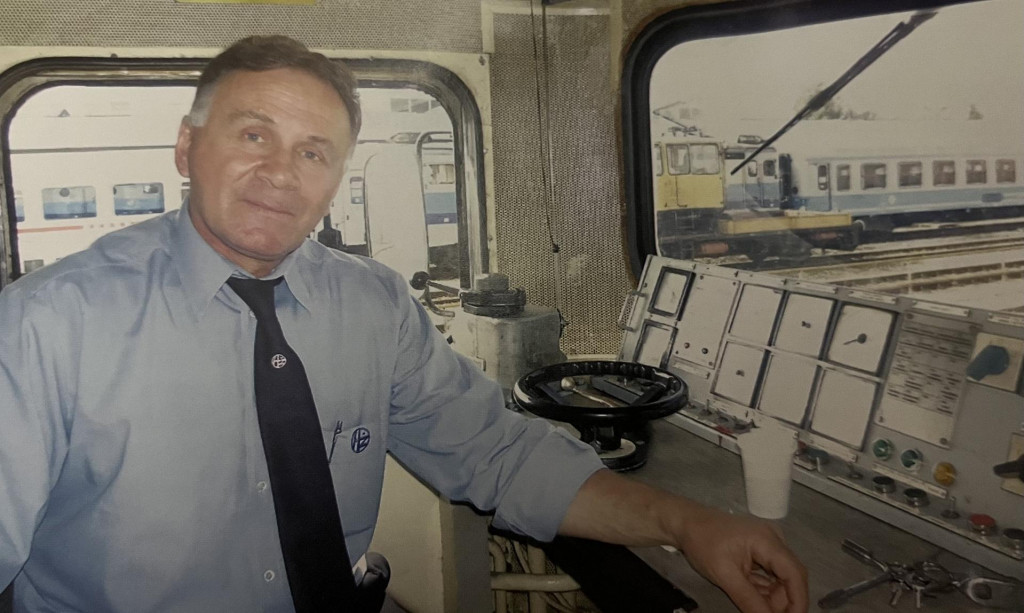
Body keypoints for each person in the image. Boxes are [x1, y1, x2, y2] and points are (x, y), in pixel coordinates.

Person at [0, 36, 807, 613]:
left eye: (315, 152)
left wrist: (688, 523)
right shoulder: (48, 324)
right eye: (253, 135)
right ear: (186, 148)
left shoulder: (373, 305)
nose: (280, 172)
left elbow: (495, 452)